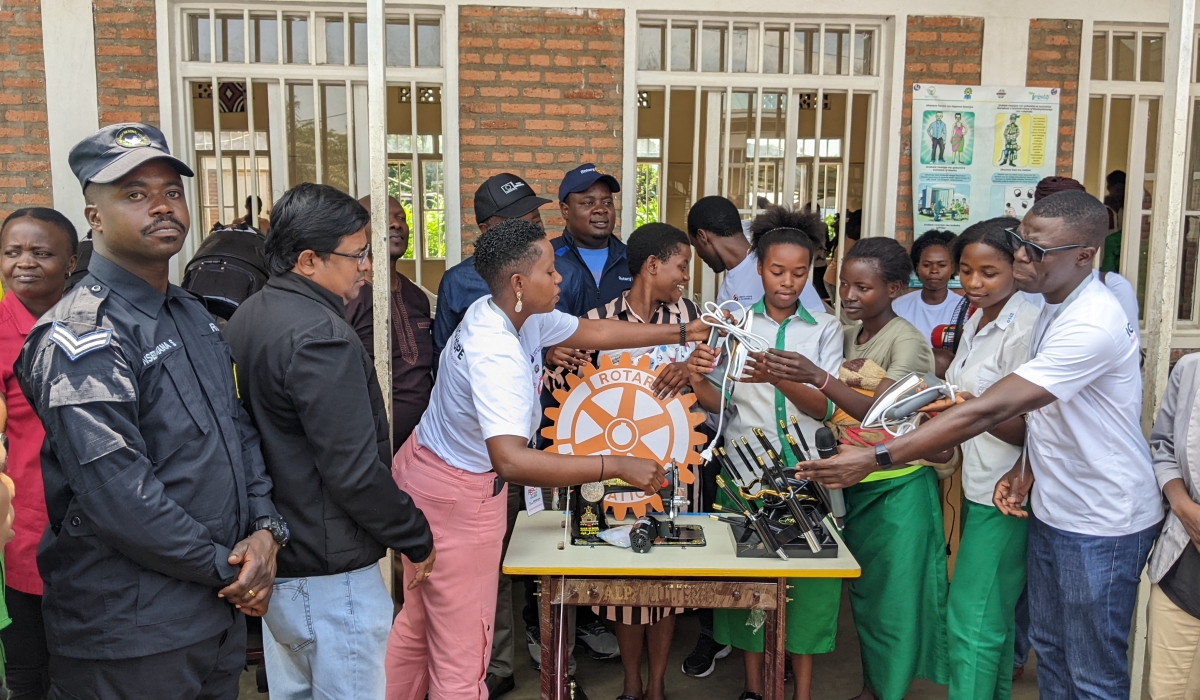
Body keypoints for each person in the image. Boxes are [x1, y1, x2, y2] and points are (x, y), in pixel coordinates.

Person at [800, 190, 1163, 700]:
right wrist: (1027, 468)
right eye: (1019, 241)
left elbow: (992, 407)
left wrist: (877, 456)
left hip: (1101, 515)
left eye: (1036, 249)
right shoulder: (1054, 308)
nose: (1020, 256)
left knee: (1086, 668)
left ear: (1084, 254)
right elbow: (1047, 417)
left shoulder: (1088, 322)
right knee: (1052, 652)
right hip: (1046, 500)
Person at [383, 217, 711, 700]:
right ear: (519, 283)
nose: (561, 280)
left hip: (423, 474)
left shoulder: (507, 313)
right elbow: (511, 462)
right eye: (551, 272)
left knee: (417, 621)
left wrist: (685, 331)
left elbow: (595, 332)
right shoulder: (495, 354)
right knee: (463, 651)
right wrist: (616, 464)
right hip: (457, 497)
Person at [17, 122, 282, 698]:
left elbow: (235, 429)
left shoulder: (188, 312)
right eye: (134, 195)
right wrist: (231, 569)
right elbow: (116, 492)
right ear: (94, 216)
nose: (161, 206)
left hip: (211, 617)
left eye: (171, 191)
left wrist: (265, 530)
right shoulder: (81, 336)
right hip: (130, 632)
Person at [224, 184, 435, 699]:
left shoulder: (253, 313)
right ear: (310, 260)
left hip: (281, 555)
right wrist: (413, 535)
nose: (368, 266)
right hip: (330, 567)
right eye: (359, 253)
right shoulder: (322, 336)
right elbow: (353, 471)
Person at [759, 235, 949, 700]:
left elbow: (890, 413)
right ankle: (875, 685)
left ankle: (888, 690)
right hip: (855, 483)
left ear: (895, 290)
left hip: (898, 484)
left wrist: (818, 377)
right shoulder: (845, 334)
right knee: (866, 599)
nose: (848, 296)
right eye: (843, 284)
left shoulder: (907, 340)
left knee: (894, 600)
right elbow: (828, 410)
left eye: (862, 288)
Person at [688, 207, 844, 700]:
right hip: (743, 472)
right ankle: (754, 688)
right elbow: (720, 403)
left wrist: (780, 374)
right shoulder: (735, 323)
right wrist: (695, 377)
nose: (789, 282)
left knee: (810, 588)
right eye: (778, 271)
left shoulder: (824, 328)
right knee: (748, 584)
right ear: (758, 267)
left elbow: (823, 405)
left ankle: (800, 692)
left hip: (805, 473)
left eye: (800, 273)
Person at [575, 222, 701, 700]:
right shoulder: (600, 317)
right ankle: (631, 684)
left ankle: (657, 687)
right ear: (653, 265)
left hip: (674, 466)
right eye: (681, 265)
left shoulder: (691, 315)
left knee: (665, 578)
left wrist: (689, 367)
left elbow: (714, 377)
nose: (686, 276)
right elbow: (572, 375)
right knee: (625, 578)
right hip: (614, 466)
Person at [942, 217, 1040, 700]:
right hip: (978, 484)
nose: (973, 283)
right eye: (966, 270)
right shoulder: (977, 318)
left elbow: (1028, 424)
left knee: (971, 620)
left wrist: (963, 408)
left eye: (989, 272)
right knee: (990, 623)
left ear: (1017, 270)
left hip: (1007, 492)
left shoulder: (1026, 326)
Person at [0, 209, 79, 699]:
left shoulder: (96, 319)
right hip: (22, 525)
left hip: (95, 521)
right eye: (12, 252)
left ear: (71, 261)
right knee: (30, 670)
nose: (23, 263)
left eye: (41, 252)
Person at [434, 173, 589, 359]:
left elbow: (583, 341)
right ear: (486, 230)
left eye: (536, 221)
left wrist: (551, 355)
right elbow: (442, 354)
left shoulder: (569, 275)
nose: (531, 232)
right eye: (517, 225)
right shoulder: (457, 282)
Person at [344, 194, 433, 451]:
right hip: (369, 447)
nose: (396, 225)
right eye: (384, 218)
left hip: (422, 448)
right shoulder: (348, 297)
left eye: (401, 218)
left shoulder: (417, 297)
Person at [1146, 353, 1200, 699]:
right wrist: (1182, 505)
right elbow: (1163, 446)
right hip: (1184, 570)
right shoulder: (1191, 370)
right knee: (1168, 691)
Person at [686, 195, 826, 317]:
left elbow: (817, 322)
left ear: (702, 237)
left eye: (695, 245)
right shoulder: (732, 278)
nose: (699, 255)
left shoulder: (773, 268)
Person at [552, 163, 631, 312]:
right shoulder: (547, 258)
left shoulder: (633, 261)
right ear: (565, 211)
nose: (601, 209)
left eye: (607, 202)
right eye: (588, 203)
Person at [892, 229, 963, 344]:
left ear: (953, 268)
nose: (934, 270)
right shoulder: (899, 307)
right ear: (917, 268)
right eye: (926, 265)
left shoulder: (963, 309)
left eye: (942, 265)